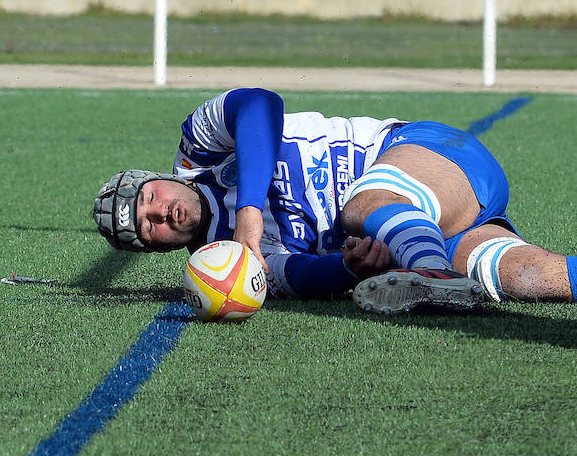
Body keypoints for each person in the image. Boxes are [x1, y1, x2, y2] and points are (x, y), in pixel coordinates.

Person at [92, 87, 577, 314]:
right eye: (147, 225)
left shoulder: (198, 151)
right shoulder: (226, 268)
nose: (158, 210)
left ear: (158, 178)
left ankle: (431, 276)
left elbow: (259, 102)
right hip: (439, 224)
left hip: (429, 155)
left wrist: (249, 214)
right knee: (526, 279)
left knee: (361, 207)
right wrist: (351, 270)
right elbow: (297, 278)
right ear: (158, 248)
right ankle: (438, 270)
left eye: (149, 197)